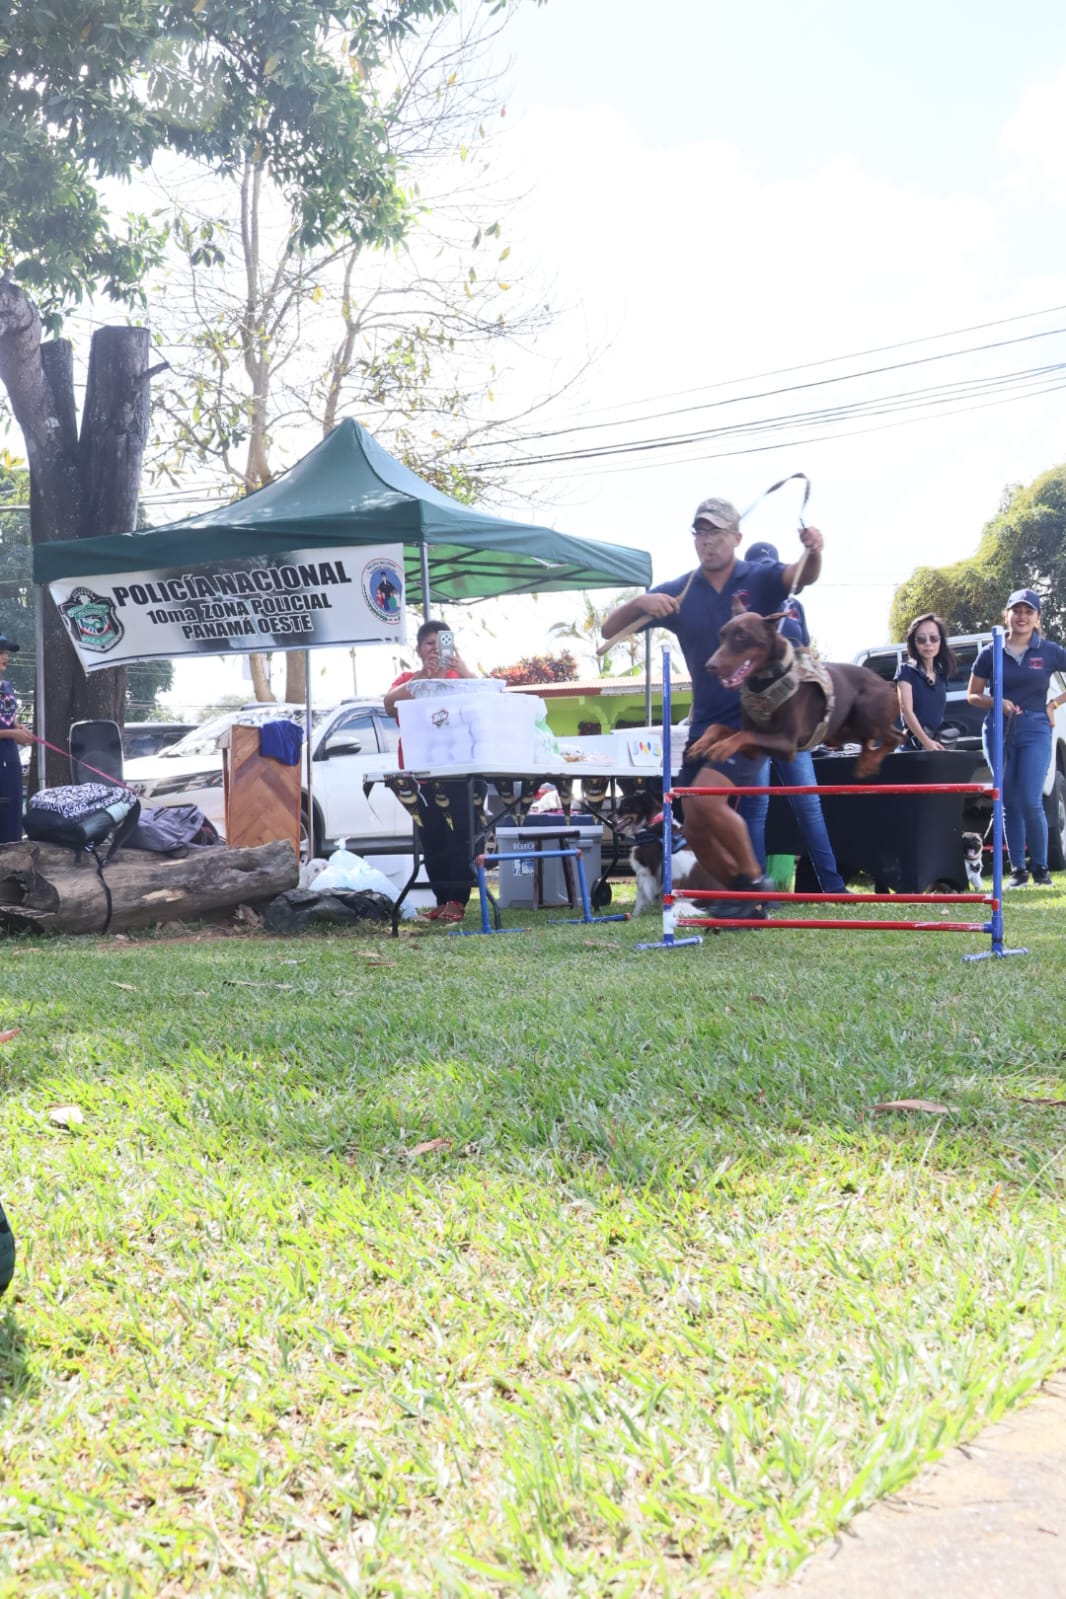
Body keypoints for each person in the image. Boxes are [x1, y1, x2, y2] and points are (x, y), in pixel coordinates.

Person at [600, 497, 824, 902]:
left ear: (736, 537)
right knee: (693, 824)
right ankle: (740, 898)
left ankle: (755, 887)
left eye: (716, 531)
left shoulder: (760, 577)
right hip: (705, 722)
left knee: (708, 801)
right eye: (700, 531)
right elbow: (608, 631)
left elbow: (801, 575)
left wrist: (813, 551)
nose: (707, 540)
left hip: (754, 717)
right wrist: (640, 602)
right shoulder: (681, 590)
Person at [739, 542, 848, 893]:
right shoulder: (741, 604)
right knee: (756, 805)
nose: (767, 572)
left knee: (809, 803)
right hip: (756, 720)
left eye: (770, 565)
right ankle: (759, 892)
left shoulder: (793, 604)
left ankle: (832, 886)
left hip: (794, 722)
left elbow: (806, 653)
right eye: (760, 567)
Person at [967, 587, 1066, 887]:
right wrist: (997, 702)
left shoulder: (1049, 650)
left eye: (1028, 611)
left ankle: (1041, 869)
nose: (1022, 617)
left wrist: (1054, 704)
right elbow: (973, 695)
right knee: (1008, 801)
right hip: (998, 729)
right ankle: (1018, 871)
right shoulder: (991, 651)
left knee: (1030, 799)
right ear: (1007, 615)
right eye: (1016, 611)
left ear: (1037, 617)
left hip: (1036, 728)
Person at [384, 619, 478, 922]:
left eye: (441, 643)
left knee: (458, 836)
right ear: (419, 649)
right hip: (419, 775)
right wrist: (423, 677)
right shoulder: (409, 680)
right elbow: (389, 704)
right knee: (432, 837)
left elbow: (486, 700)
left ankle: (457, 900)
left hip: (457, 772)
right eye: (429, 644)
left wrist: (463, 669)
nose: (435, 649)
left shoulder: (460, 678)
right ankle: (441, 899)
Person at [896, 612, 956, 751]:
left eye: (933, 638)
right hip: (911, 750)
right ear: (914, 643)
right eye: (921, 639)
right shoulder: (905, 670)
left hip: (937, 747)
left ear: (940, 641)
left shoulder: (941, 674)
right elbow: (906, 711)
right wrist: (927, 742)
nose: (928, 643)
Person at [0, 635, 31, 844]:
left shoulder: (6, 686)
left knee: (12, 807)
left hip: (10, 756)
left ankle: (13, 858)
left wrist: (17, 726)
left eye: (6, 653)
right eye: (0, 653)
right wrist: (12, 733)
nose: (5, 657)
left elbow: (7, 717)